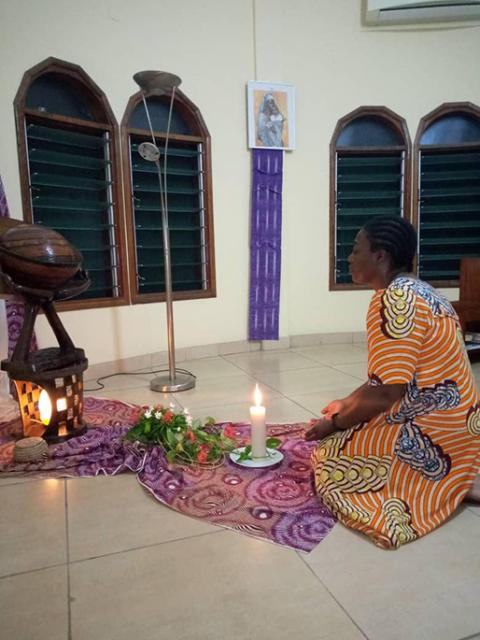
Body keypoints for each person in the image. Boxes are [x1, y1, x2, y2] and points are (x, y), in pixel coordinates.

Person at [306, 215, 480, 549]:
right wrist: (347, 401)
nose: (349, 257)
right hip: (464, 419)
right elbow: (385, 378)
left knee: (331, 459)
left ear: (380, 255)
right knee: (352, 426)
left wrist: (335, 423)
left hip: (435, 425)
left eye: (356, 250)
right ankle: (459, 474)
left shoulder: (391, 300)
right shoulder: (424, 291)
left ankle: (448, 482)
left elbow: (387, 394)